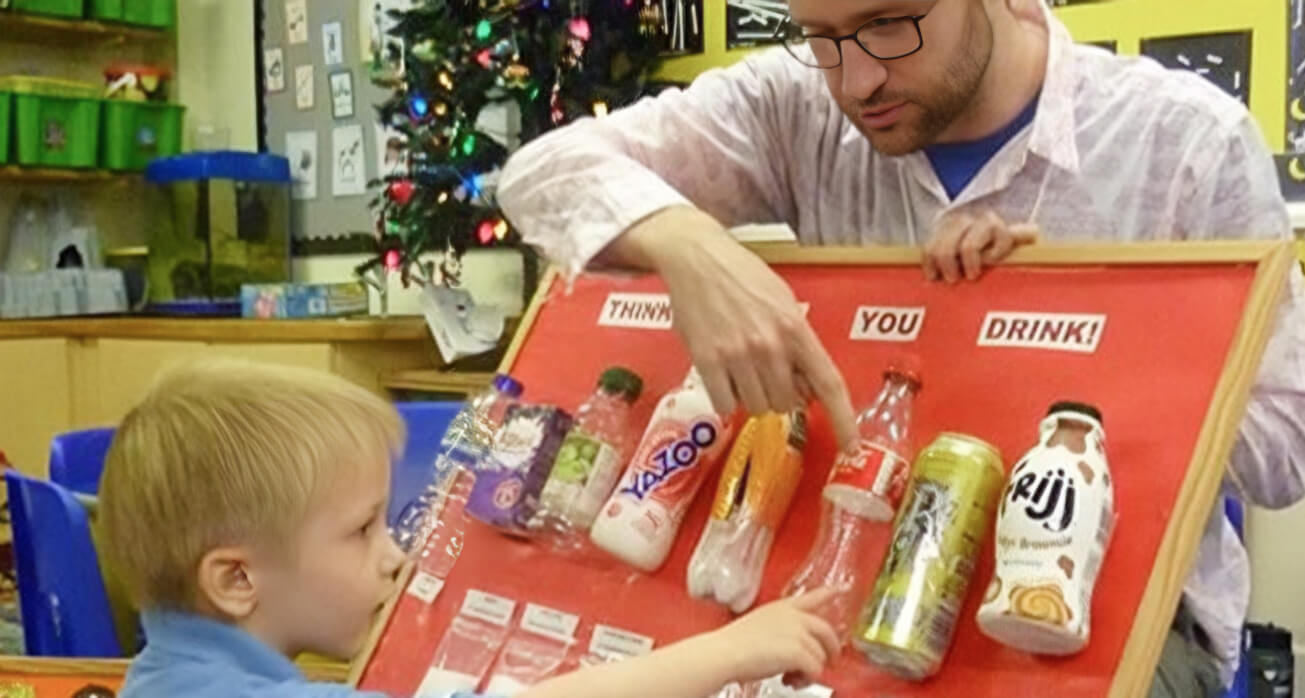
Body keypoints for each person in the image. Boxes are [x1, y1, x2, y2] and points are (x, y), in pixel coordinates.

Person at [497, 0, 1305, 695]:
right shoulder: (795, 106)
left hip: (1106, 614)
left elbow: (1286, 444)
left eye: (890, 25)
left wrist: (1060, 326)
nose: (856, 81)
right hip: (854, 572)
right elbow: (541, 171)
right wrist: (688, 246)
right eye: (819, 35)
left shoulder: (1182, 141)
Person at [99, 360, 841, 698]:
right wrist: (728, 652)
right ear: (236, 580)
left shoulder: (165, 672)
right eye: (361, 532)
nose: (394, 555)